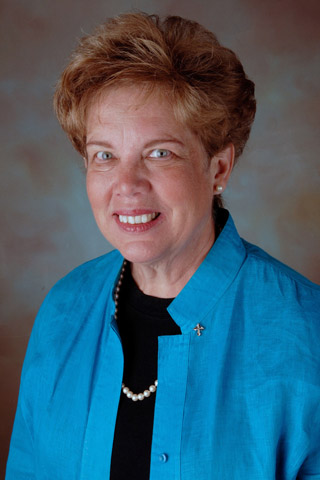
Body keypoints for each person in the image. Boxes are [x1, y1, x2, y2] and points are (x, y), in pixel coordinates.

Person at [6, 12, 320, 480]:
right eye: (105, 156)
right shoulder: (62, 311)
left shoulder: (307, 334)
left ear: (218, 169)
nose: (126, 185)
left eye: (160, 153)